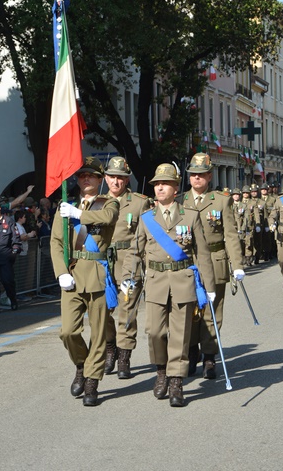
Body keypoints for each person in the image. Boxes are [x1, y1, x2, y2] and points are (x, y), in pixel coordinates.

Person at [121, 162, 215, 407]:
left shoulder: (190, 216)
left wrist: (210, 287)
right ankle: (161, 369)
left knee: (181, 335)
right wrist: (128, 279)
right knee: (154, 332)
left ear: (176, 187)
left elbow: (202, 254)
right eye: (156, 184)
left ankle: (175, 381)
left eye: (165, 183)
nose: (159, 188)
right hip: (155, 282)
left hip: (182, 281)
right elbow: (134, 252)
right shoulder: (146, 219)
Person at [50, 156, 119, 407]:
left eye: (91, 175)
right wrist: (61, 273)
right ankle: (81, 364)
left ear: (101, 180)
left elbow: (107, 219)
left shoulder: (107, 203)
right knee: (68, 332)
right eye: (81, 175)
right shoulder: (65, 205)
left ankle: (92, 380)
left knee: (99, 334)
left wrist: (78, 214)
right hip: (72, 274)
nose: (86, 179)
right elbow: (57, 243)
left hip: (97, 274)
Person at [183, 153, 244, 380]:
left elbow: (230, 235)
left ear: (209, 176)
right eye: (193, 175)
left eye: (201, 175)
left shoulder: (221, 200)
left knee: (211, 312)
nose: (197, 179)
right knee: (188, 311)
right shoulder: (181, 201)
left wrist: (237, 264)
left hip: (215, 258)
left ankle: (209, 357)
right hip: (188, 262)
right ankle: (190, 352)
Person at [103, 156, 153, 378]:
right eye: (112, 177)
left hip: (128, 261)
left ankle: (124, 356)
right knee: (101, 312)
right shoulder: (96, 201)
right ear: (105, 178)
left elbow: (148, 236)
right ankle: (110, 347)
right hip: (102, 262)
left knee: (127, 310)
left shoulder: (139, 202)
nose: (116, 182)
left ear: (126, 179)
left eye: (120, 178)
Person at [249, 183, 264, 264]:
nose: (254, 193)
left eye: (255, 191)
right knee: (251, 241)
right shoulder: (248, 202)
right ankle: (251, 256)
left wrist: (265, 225)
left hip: (259, 224)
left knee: (258, 241)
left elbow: (265, 214)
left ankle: (257, 256)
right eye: (252, 192)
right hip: (250, 224)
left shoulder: (261, 202)